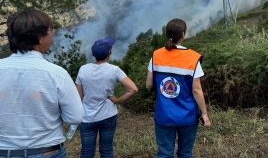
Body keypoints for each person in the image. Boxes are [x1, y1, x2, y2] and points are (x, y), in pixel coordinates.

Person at [0, 8, 84, 158]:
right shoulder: (57, 73)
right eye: (50, 32)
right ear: (40, 38)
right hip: (47, 152)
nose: (52, 36)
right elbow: (75, 117)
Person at [146, 18, 211, 158]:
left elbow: (149, 85)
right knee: (185, 153)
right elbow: (196, 90)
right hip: (188, 116)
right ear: (183, 35)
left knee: (164, 153)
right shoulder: (193, 58)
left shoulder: (156, 55)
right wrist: (204, 114)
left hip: (164, 114)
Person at [75, 37, 138, 158]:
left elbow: (79, 97)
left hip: (87, 117)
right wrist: (117, 101)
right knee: (107, 150)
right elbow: (133, 89)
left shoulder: (83, 69)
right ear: (109, 52)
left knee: (87, 152)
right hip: (108, 115)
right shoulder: (115, 70)